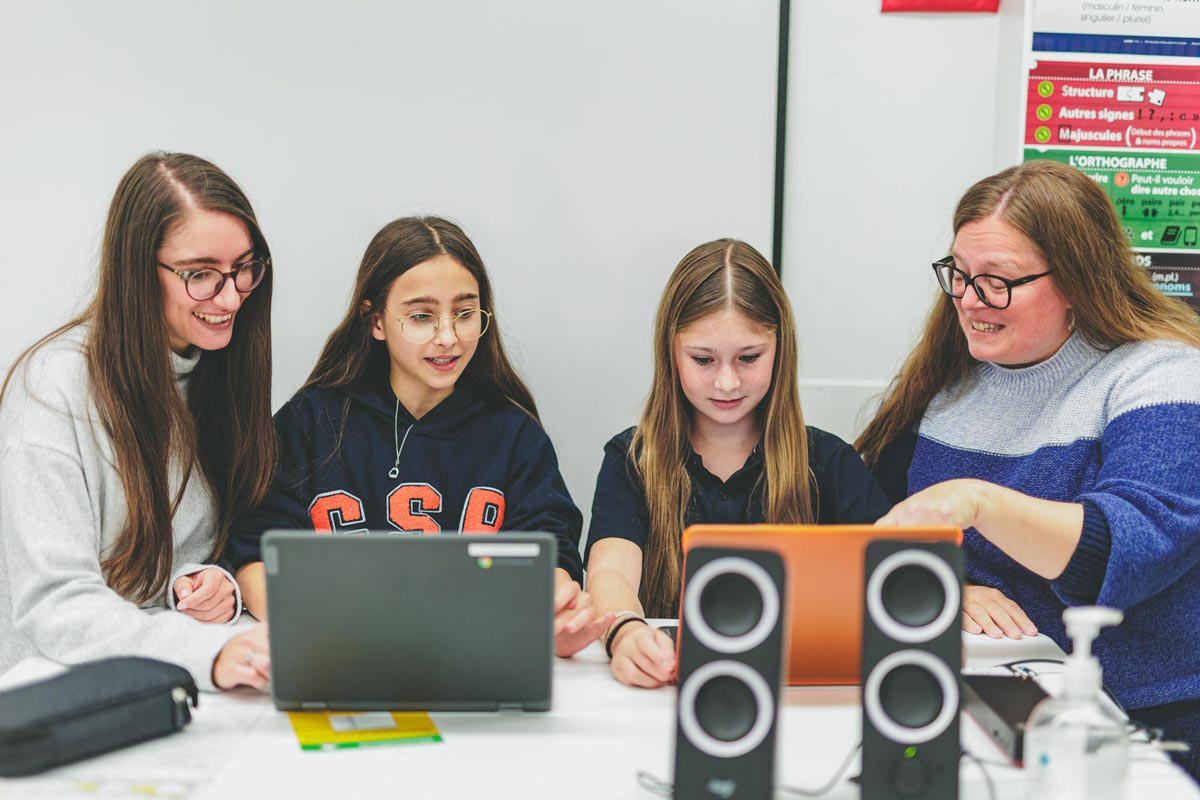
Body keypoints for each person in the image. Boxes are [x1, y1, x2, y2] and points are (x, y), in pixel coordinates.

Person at [856, 160, 1200, 778]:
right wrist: (944, 583)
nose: (968, 300)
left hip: (1140, 720)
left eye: (999, 281)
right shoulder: (952, 380)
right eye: (958, 275)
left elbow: (1132, 549)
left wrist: (977, 502)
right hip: (991, 695)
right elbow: (872, 527)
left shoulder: (1161, 374)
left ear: (1075, 280)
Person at [228, 216, 609, 656]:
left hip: (473, 660)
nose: (448, 337)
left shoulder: (515, 435)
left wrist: (558, 614)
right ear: (375, 321)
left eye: (465, 314)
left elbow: (552, 557)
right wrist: (313, 626)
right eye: (422, 316)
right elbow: (255, 555)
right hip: (338, 655)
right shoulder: (309, 423)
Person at [0, 152, 276, 691]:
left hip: (170, 683)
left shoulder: (217, 371)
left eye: (245, 267)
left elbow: (174, 556)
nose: (231, 296)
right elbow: (55, 602)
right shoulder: (53, 389)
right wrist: (210, 652)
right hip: (62, 693)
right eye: (200, 274)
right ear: (135, 270)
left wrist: (207, 583)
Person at [584, 239, 892, 688]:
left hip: (794, 699)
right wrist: (625, 630)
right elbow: (609, 570)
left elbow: (893, 569)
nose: (727, 382)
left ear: (779, 349)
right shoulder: (631, 459)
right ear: (670, 352)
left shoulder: (828, 463)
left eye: (749, 358)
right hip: (664, 693)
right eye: (703, 360)